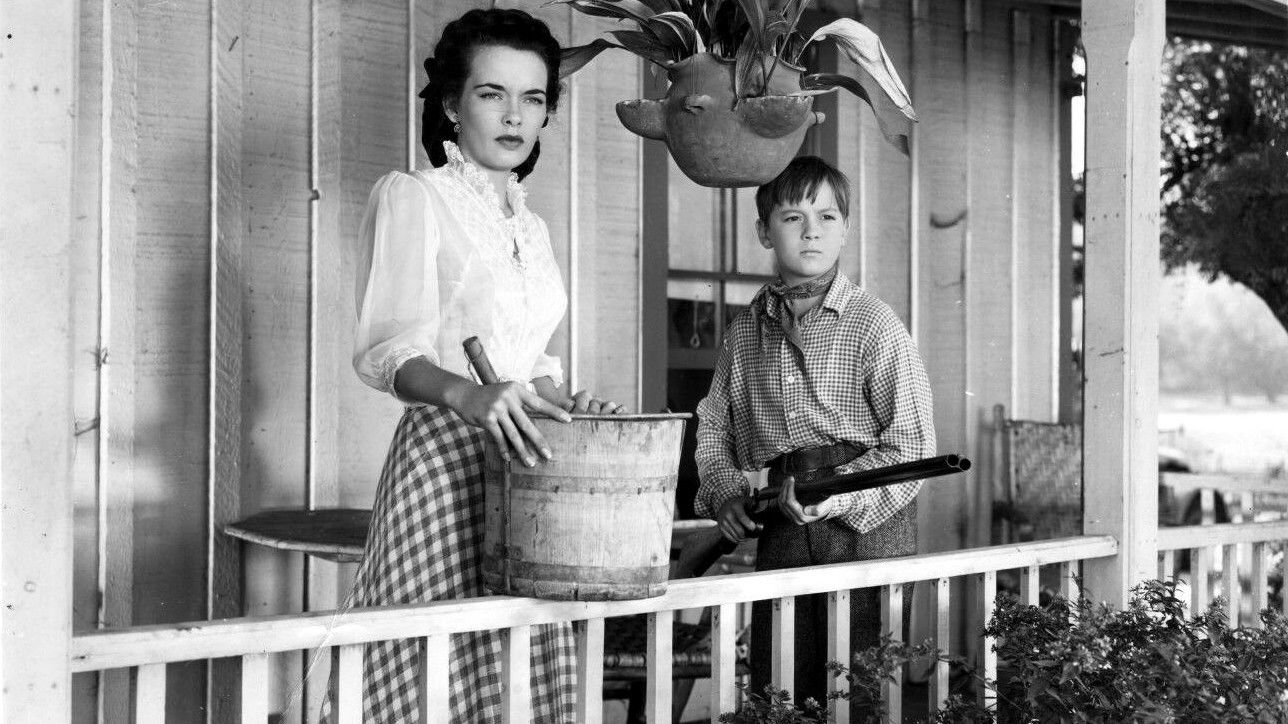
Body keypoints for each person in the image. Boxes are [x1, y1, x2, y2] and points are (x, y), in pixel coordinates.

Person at [344, 8, 623, 721]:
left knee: (518, 673)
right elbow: (390, 352)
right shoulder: (415, 196)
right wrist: (468, 398)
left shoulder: (532, 226)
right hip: (445, 463)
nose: (514, 116)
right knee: (436, 675)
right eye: (492, 93)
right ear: (451, 103)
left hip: (526, 466)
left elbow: (531, 365)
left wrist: (570, 409)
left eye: (533, 98)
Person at [693, 156, 936, 714]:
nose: (811, 232)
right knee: (780, 688)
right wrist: (726, 493)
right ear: (764, 231)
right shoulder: (746, 330)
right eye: (793, 217)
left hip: (866, 524)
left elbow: (914, 447)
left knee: (858, 694)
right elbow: (713, 426)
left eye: (827, 217)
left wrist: (836, 495)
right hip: (783, 516)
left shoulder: (874, 323)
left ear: (845, 230)